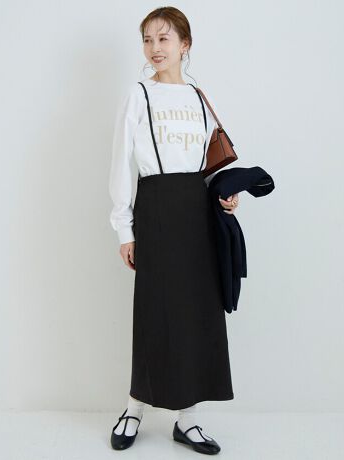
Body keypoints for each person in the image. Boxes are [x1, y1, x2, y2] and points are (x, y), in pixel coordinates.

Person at [108, 6, 239, 454]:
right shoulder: (138, 94)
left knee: (197, 312)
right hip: (157, 207)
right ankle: (134, 408)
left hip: (198, 211)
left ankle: (188, 419)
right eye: (147, 39)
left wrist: (223, 196)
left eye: (163, 39)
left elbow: (207, 164)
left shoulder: (199, 96)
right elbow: (121, 162)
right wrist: (124, 228)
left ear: (185, 45)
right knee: (155, 310)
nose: (154, 48)